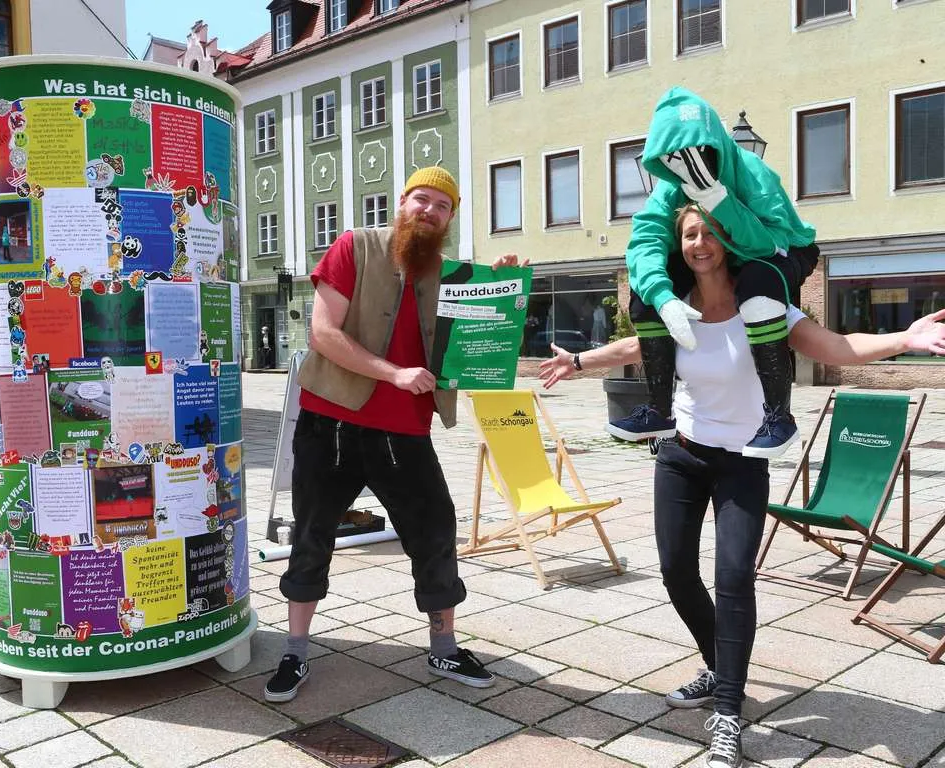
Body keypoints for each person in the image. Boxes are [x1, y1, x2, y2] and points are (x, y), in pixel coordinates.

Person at [539, 206, 945, 768]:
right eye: (689, 234)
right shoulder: (674, 306)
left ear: (728, 241)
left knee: (733, 579)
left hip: (742, 462)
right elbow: (639, 347)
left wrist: (905, 336)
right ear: (678, 244)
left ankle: (728, 711)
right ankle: (718, 665)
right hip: (680, 454)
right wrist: (579, 360)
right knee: (675, 571)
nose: (700, 243)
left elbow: (835, 346)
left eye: (710, 233)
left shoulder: (765, 307)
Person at [265, 166, 519, 703]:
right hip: (331, 420)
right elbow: (322, 334)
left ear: (451, 217)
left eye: (442, 205)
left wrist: (504, 280)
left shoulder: (452, 273)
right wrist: (394, 373)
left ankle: (445, 647)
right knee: (312, 532)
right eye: (421, 199)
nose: (429, 210)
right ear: (401, 202)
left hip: (404, 429)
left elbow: (487, 323)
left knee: (435, 529)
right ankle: (295, 650)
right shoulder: (354, 246)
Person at [612, 87, 818, 459]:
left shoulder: (753, 172)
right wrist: (663, 296)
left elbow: (771, 244)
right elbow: (645, 241)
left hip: (782, 245)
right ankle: (659, 411)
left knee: (758, 288)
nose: (689, 165)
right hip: (727, 245)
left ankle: (778, 417)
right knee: (644, 297)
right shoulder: (670, 188)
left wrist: (717, 200)